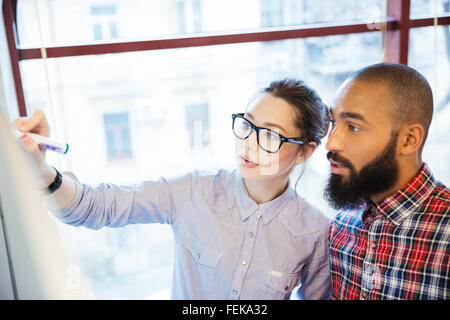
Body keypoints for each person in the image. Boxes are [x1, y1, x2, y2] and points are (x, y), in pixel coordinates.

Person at [14, 79, 331, 300]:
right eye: (247, 125)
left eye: (271, 136)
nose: (249, 143)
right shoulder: (195, 191)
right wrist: (42, 171)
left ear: (305, 151)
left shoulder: (314, 232)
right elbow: (94, 208)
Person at [325, 62, 449, 300]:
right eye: (333, 122)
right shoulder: (341, 225)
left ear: (408, 140)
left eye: (353, 127)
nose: (331, 143)